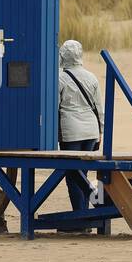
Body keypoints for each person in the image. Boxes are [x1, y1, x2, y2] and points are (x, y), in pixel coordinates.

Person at [57, 39, 103, 223]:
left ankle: (80, 216)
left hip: (71, 129)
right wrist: (100, 131)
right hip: (91, 129)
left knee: (73, 175)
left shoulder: (59, 78)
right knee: (84, 173)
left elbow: (56, 106)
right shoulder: (91, 77)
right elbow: (99, 107)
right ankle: (87, 213)